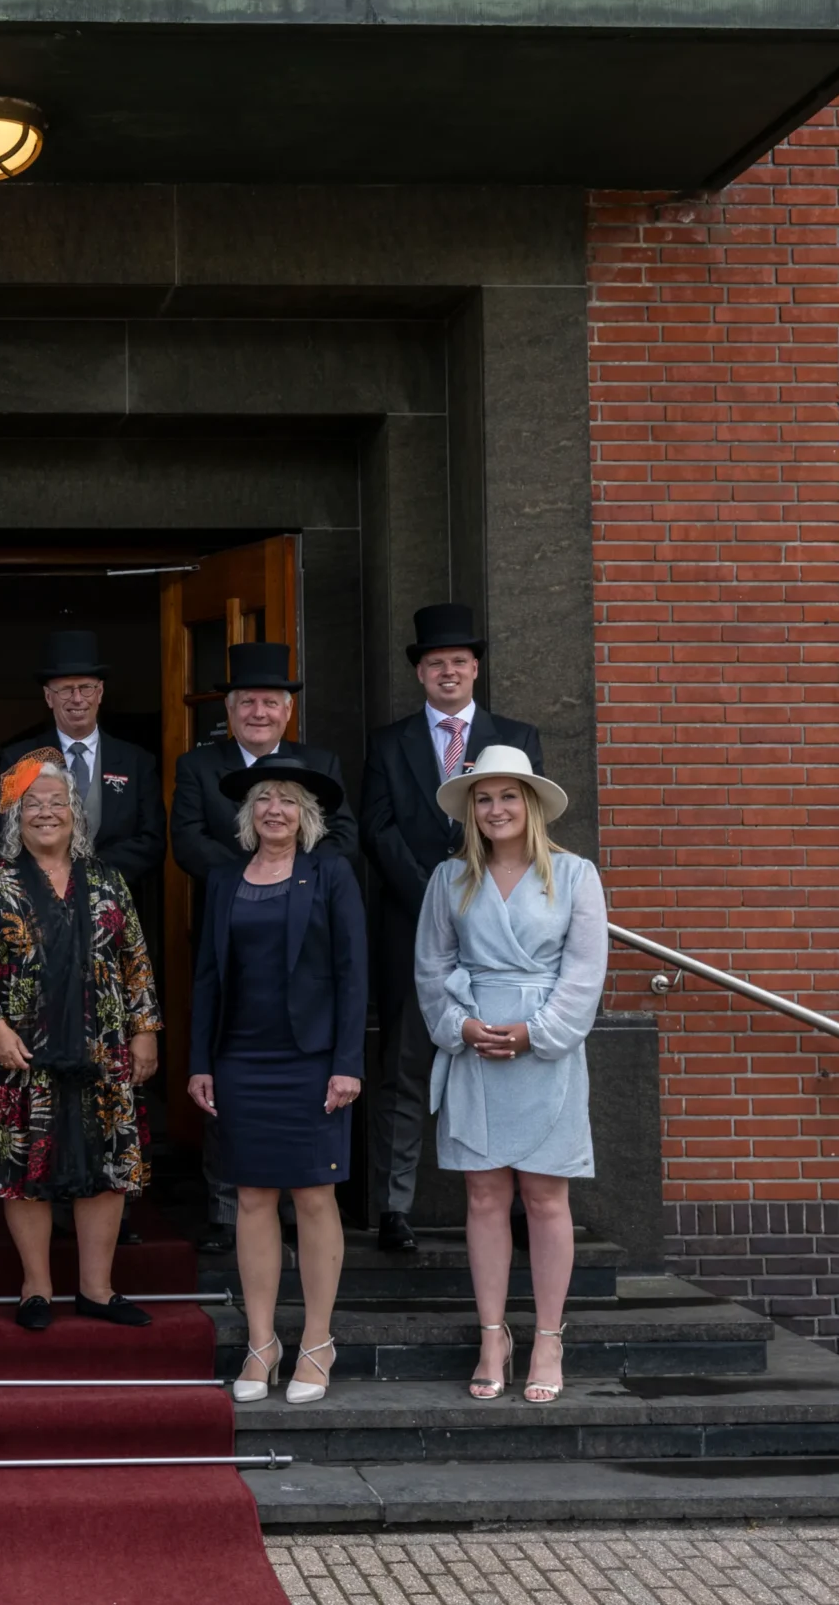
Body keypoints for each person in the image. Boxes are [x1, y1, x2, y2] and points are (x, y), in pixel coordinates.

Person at [413, 744, 607, 1406]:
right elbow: (431, 968)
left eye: (508, 796)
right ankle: (492, 1336)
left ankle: (548, 1337)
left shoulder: (576, 875)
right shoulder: (449, 879)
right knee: (484, 1197)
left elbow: (585, 974)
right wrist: (461, 1026)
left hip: (546, 1052)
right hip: (474, 1047)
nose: (496, 809)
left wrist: (535, 1032)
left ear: (532, 804)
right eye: (484, 799)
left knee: (547, 1197)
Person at [0, 749, 161, 1330]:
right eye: (31, 804)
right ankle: (36, 1289)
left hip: (103, 1048)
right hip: (20, 1053)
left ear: (76, 814)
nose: (45, 812)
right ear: (15, 818)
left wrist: (145, 1031)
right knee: (27, 1165)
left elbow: (136, 961)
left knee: (106, 1162)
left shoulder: (108, 880)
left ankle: (97, 1289)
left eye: (57, 802)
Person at [361, 602, 543, 1254]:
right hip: (411, 926)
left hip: (502, 935)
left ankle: (519, 1203)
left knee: (504, 1066)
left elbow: (528, 828)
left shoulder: (516, 738)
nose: (447, 672)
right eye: (435, 662)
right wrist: (440, 900)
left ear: (475, 669)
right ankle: (394, 1207)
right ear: (420, 672)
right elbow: (378, 830)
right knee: (404, 1066)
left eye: (458, 662)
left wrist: (478, 906)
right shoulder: (388, 743)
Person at [188, 752, 368, 1404]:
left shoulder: (331, 873)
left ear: (306, 814)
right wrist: (200, 1060)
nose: (274, 810)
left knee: (314, 1196)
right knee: (253, 1197)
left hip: (313, 1061)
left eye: (288, 799)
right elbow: (207, 976)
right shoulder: (224, 879)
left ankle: (317, 1341)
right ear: (248, 812)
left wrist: (348, 1062)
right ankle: (261, 1342)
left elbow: (353, 972)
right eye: (264, 798)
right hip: (241, 1059)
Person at [169, 640, 360, 1251]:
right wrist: (248, 874)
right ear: (229, 710)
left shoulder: (319, 765)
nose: (259, 712)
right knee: (232, 1124)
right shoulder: (199, 765)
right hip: (234, 937)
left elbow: (345, 836)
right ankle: (225, 1214)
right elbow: (187, 840)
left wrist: (294, 873)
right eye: (247, 701)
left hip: (308, 960)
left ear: (287, 711)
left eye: (270, 702)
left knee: (311, 1182)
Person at [0, 630, 168, 912]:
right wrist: (52, 876)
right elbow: (5, 835)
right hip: (40, 904)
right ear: (49, 697)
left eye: (86, 688)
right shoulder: (19, 759)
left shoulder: (136, 761)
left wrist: (92, 876)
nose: (77, 699)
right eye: (66, 690)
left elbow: (152, 840)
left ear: (100, 693)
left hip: (115, 904)